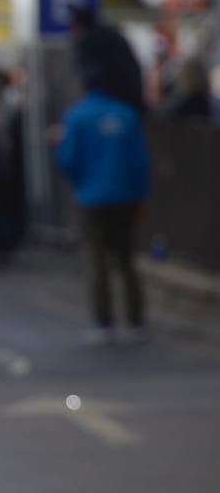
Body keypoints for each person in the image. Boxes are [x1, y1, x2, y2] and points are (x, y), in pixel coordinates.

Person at [55, 68, 151, 345]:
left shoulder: (77, 115)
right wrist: (141, 195)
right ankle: (136, 320)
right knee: (126, 258)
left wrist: (80, 180)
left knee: (96, 260)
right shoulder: (126, 114)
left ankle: (103, 323)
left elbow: (68, 158)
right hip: (125, 196)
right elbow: (140, 161)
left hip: (91, 197)